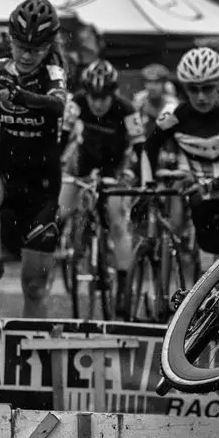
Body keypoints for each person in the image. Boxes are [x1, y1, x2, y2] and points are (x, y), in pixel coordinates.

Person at [0, 0, 69, 319]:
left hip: (42, 190)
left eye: (36, 49)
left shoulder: (53, 72)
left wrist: (21, 96)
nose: (26, 55)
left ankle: (32, 357)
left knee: (35, 288)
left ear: (49, 46)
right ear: (10, 40)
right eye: (20, 46)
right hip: (4, 169)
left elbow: (57, 104)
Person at [58, 59, 145, 318]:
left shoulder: (126, 109)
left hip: (115, 166)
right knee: (60, 210)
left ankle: (122, 287)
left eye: (103, 97)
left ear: (113, 93)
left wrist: (137, 177)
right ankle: (71, 245)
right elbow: (62, 138)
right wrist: (54, 168)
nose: (97, 103)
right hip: (84, 162)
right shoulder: (78, 102)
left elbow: (141, 149)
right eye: (93, 96)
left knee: (117, 223)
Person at [144, 47, 219, 258]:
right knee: (210, 269)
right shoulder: (174, 115)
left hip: (214, 186)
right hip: (203, 198)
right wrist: (147, 185)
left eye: (207, 88)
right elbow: (149, 147)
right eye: (193, 89)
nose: (200, 97)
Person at [133, 63, 179, 136]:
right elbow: (134, 131)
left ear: (164, 83)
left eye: (157, 82)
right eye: (148, 82)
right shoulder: (139, 100)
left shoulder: (172, 103)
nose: (152, 87)